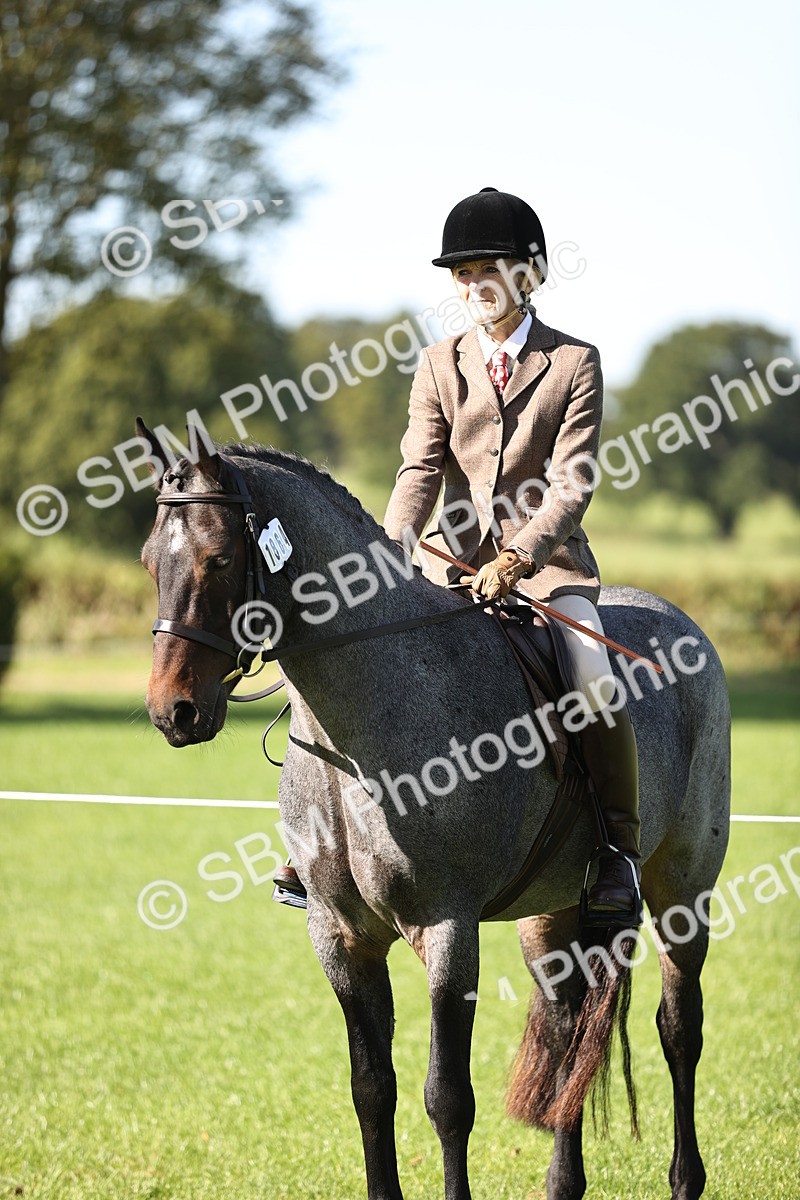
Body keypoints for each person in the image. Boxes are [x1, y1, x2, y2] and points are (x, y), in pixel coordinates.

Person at [274, 187, 640, 922]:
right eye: (462, 274)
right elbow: (418, 471)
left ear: (528, 273)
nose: (474, 286)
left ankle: (617, 851)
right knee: (334, 658)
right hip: (446, 567)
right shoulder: (440, 363)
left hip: (550, 569)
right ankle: (316, 839)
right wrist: (388, 552)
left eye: (488, 270)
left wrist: (520, 555)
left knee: (591, 676)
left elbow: (572, 483)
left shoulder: (574, 362)